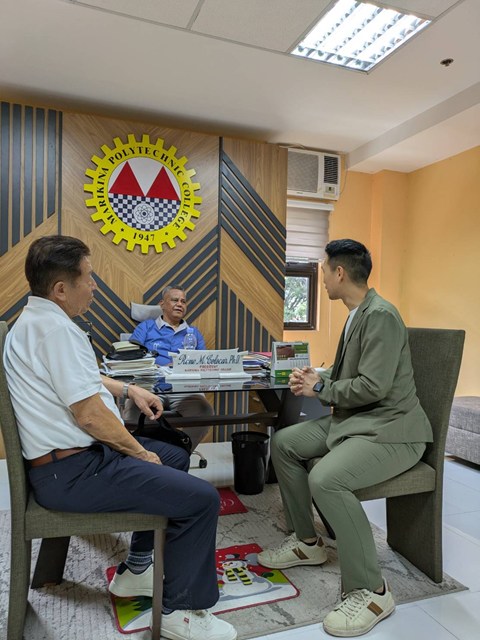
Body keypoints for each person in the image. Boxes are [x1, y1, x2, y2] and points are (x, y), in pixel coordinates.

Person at [3, 235, 237, 640]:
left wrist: (128, 389)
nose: (94, 286)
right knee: (202, 499)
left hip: (66, 465)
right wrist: (138, 453)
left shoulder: (36, 321)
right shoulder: (56, 331)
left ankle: (138, 568)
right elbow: (90, 416)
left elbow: (81, 378)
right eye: (88, 277)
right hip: (76, 471)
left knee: (175, 456)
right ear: (61, 289)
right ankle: (180, 613)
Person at [257, 239, 432, 638]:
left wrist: (320, 388)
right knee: (284, 443)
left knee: (326, 479)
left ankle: (372, 591)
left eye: (323, 271)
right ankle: (307, 541)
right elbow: (349, 371)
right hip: (358, 421)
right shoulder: (357, 314)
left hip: (393, 430)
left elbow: (373, 386)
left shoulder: (381, 316)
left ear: (339, 272)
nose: (320, 279)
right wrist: (318, 376)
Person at [127, 285, 213, 449]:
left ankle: (181, 453)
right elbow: (132, 356)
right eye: (174, 300)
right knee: (133, 410)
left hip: (184, 389)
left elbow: (203, 363)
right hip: (150, 387)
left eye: (183, 301)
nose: (180, 304)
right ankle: (143, 455)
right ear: (162, 304)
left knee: (204, 411)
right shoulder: (146, 327)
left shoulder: (193, 333)